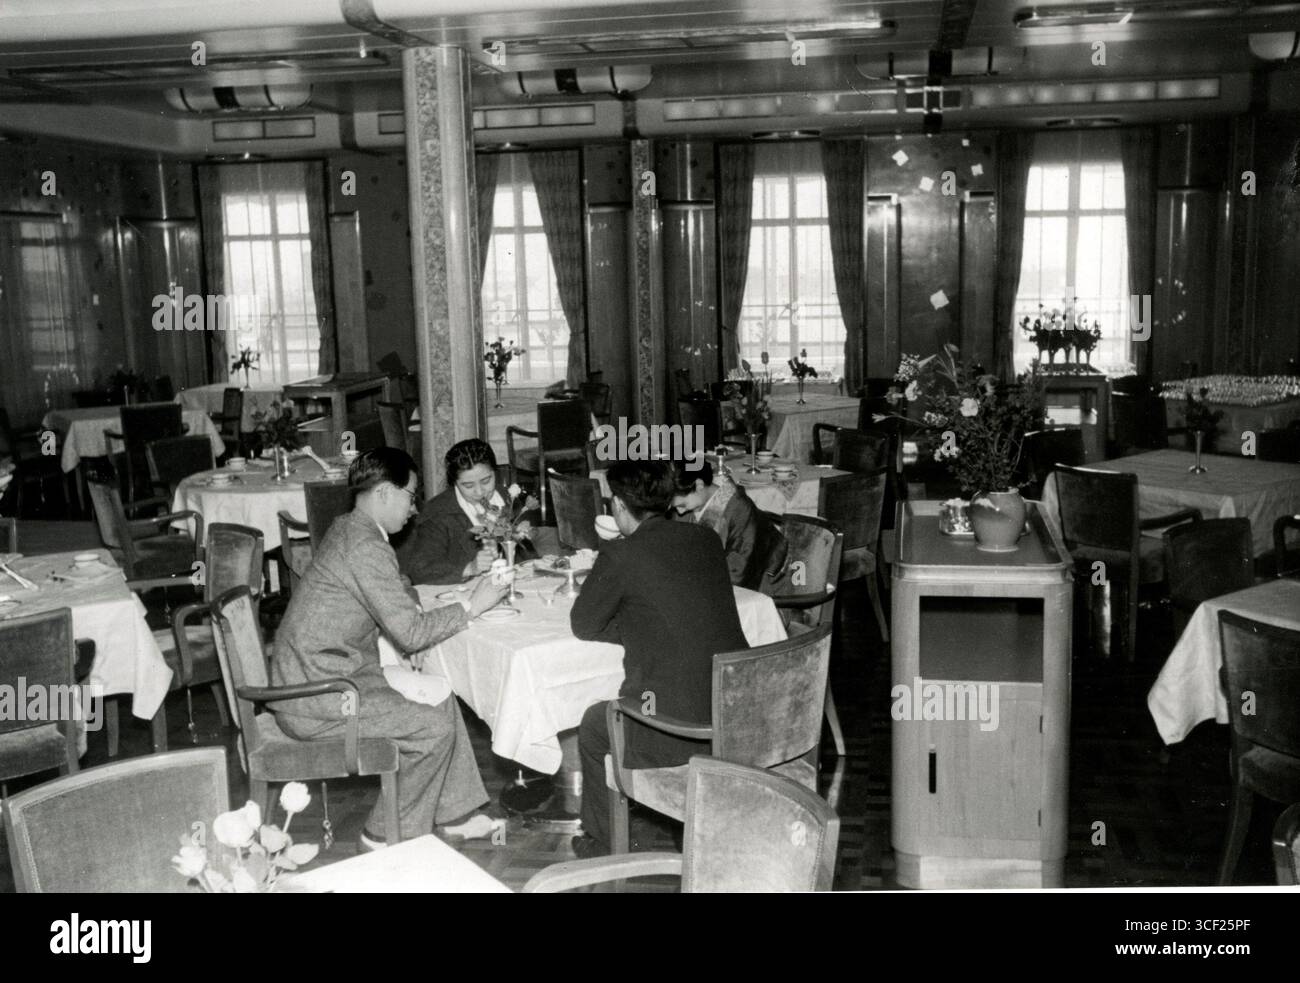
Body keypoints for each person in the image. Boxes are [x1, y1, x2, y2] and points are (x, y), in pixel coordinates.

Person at [270, 447, 509, 848]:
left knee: (439, 694)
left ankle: (451, 814)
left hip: (327, 674)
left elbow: (392, 583)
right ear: (384, 493)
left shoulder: (350, 526)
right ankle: (383, 835)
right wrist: (472, 604)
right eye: (410, 496)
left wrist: (414, 600)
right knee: (432, 727)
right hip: (319, 695)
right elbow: (411, 635)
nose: (415, 509)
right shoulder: (364, 544)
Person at [570, 459, 748, 857]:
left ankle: (603, 844)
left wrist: (632, 623)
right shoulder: (705, 539)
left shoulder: (620, 554)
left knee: (594, 725)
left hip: (676, 731)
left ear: (617, 506)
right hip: (734, 713)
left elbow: (583, 624)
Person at [395, 437, 534, 585]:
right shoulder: (439, 513)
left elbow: (524, 553)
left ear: (496, 472)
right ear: (454, 483)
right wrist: (469, 568)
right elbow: (420, 570)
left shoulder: (507, 498)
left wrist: (532, 558)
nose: (480, 492)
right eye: (468, 485)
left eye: (486, 481)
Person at [670, 458, 788, 592]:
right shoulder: (696, 502)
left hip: (763, 579)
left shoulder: (739, 509)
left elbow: (739, 569)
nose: (679, 511)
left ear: (699, 485)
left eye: (682, 505)